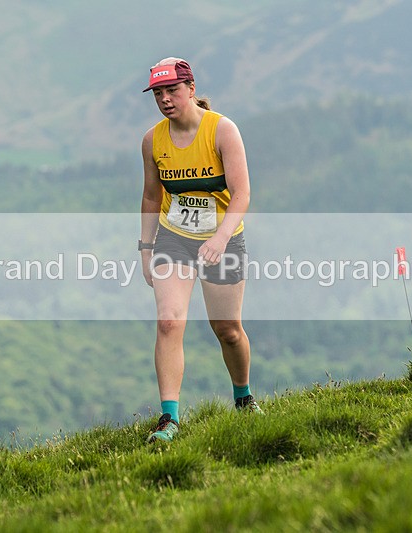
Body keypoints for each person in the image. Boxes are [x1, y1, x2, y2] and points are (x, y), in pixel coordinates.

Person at [138, 57, 262, 443]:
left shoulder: (222, 130)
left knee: (226, 329)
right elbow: (151, 195)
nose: (165, 99)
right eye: (158, 93)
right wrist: (146, 247)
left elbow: (241, 194)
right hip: (174, 237)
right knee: (169, 322)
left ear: (191, 89)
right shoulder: (152, 140)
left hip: (223, 237)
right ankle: (169, 418)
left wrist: (221, 237)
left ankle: (243, 396)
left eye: (172, 90)